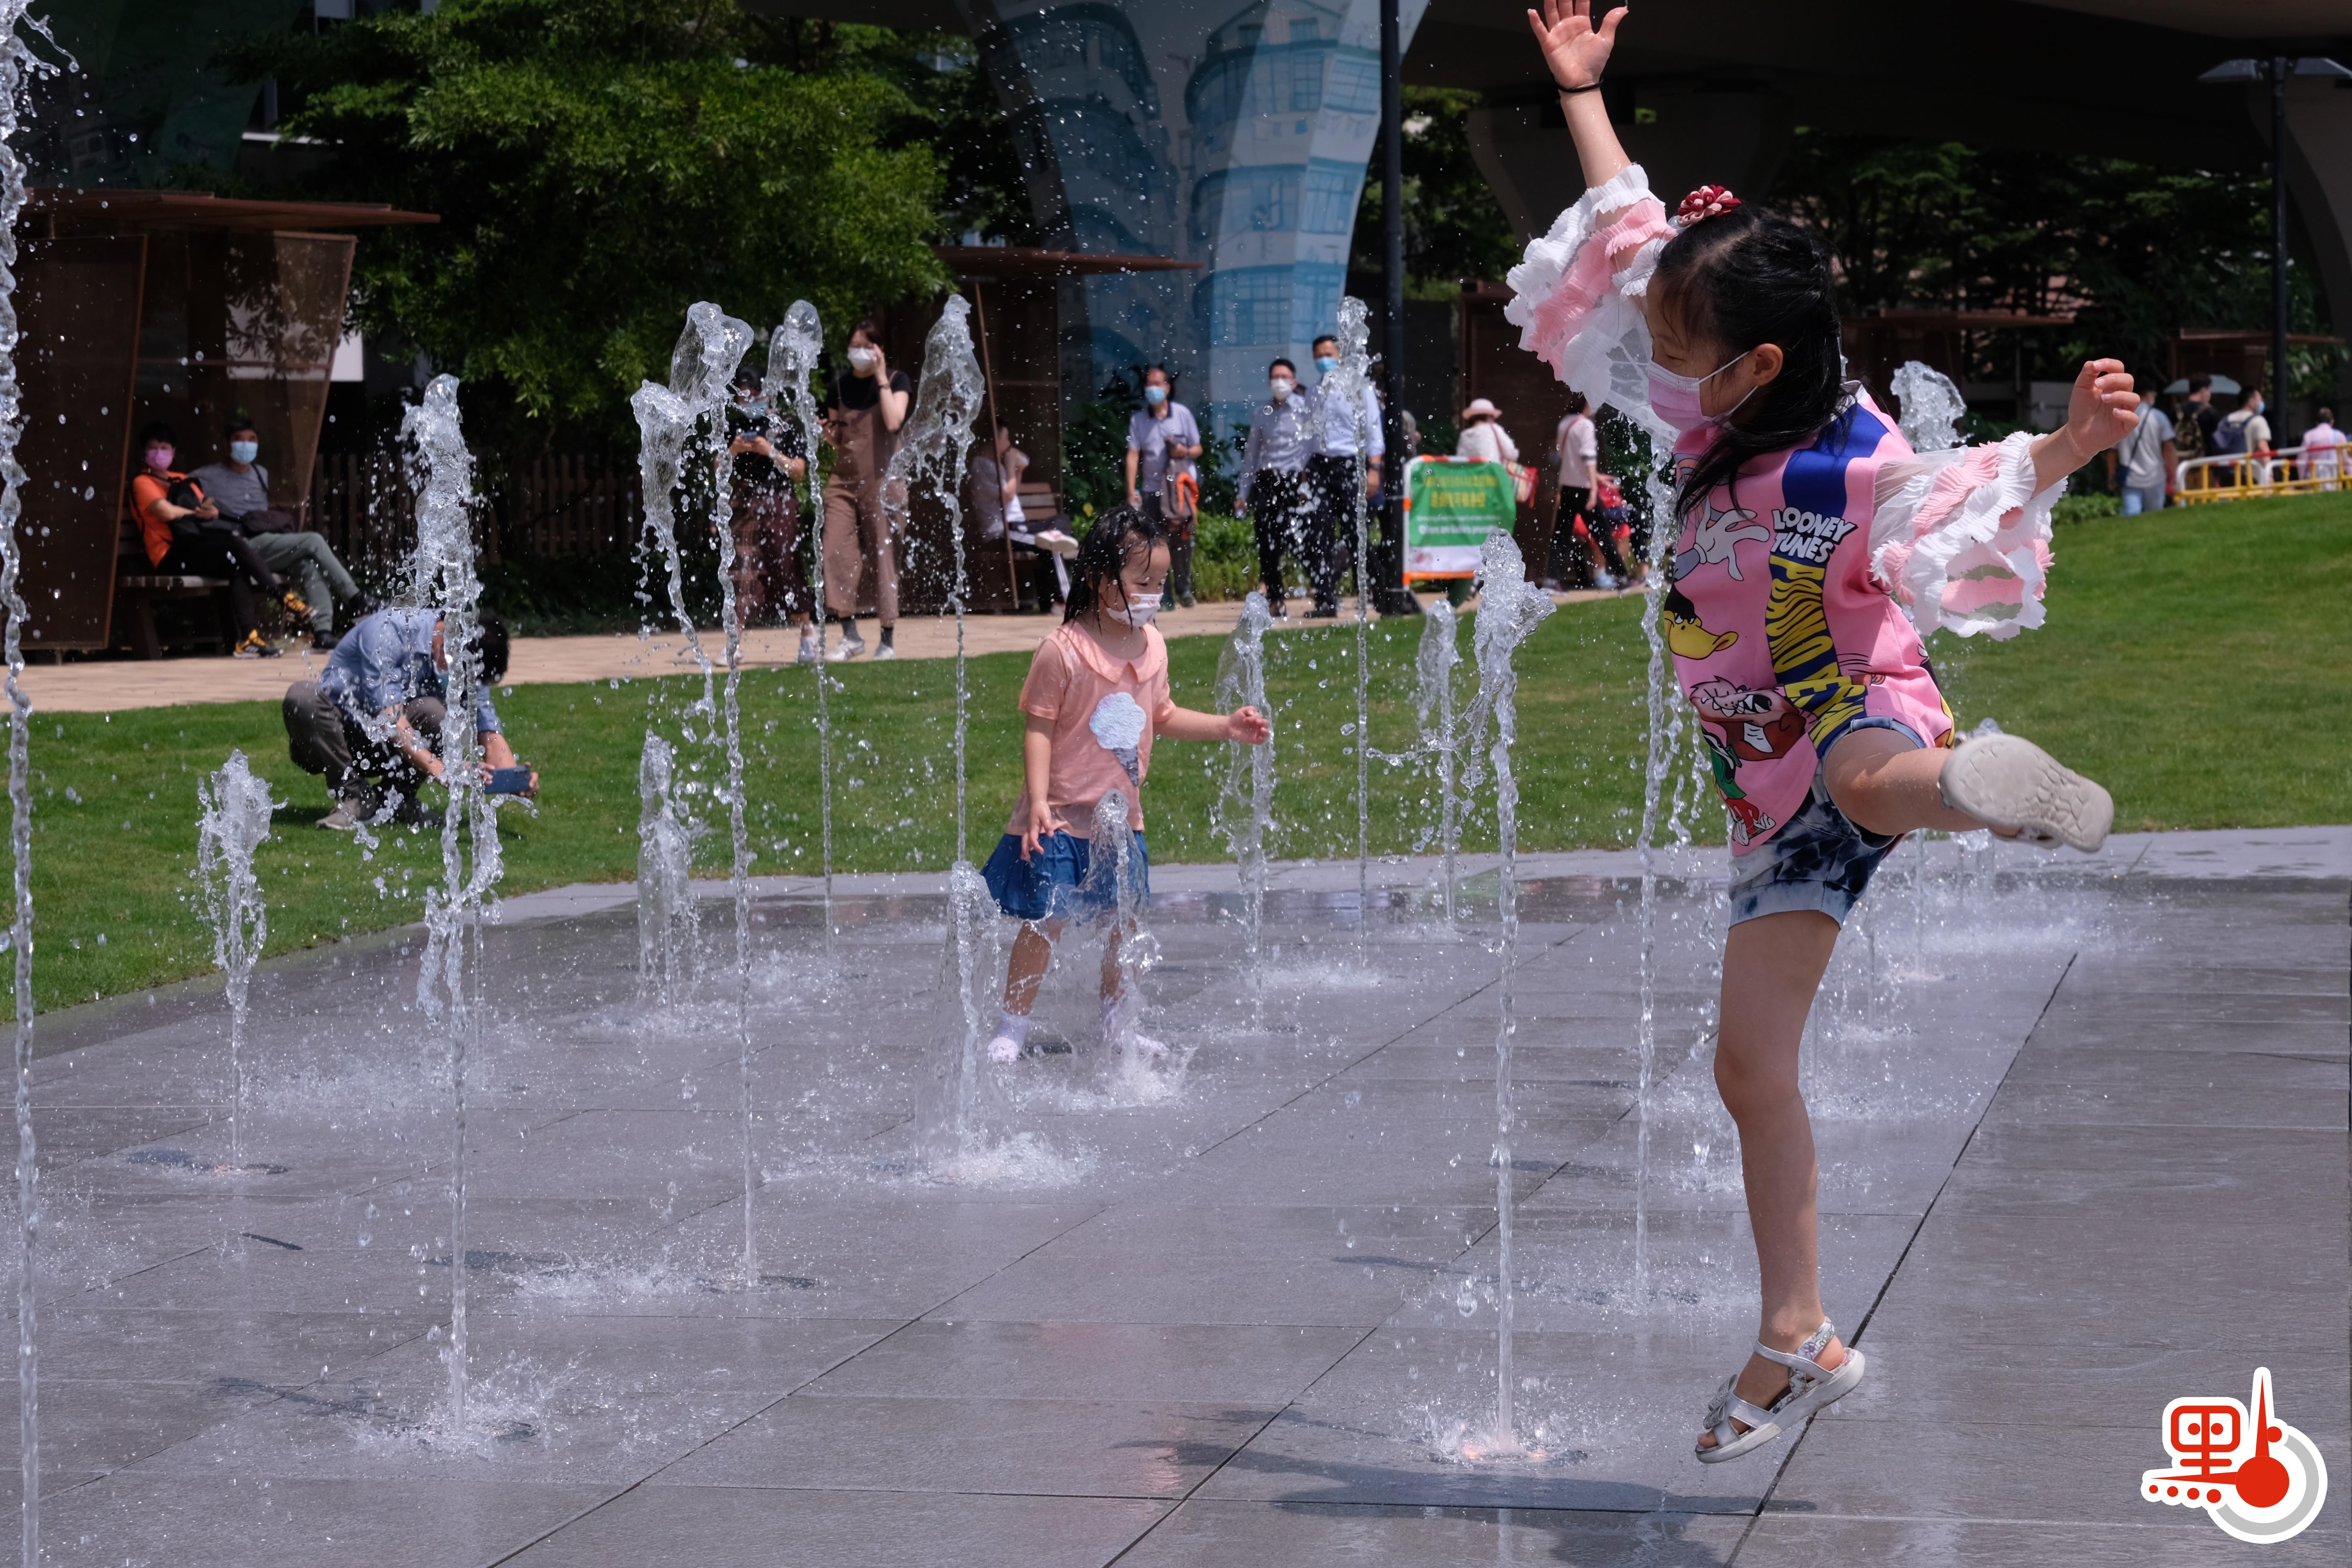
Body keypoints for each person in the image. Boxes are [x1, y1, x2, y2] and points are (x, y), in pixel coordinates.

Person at [1521, 0, 2127, 1467]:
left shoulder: (1837, 460)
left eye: (1681, 347)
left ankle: (1981, 793)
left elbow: (1955, 489)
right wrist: (1583, 94)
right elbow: (1627, 231)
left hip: (1850, 716)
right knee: (1746, 1069)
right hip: (1764, 794)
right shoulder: (1704, 421)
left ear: (1762, 367)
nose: (1652, 359)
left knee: (1868, 776)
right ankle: (1796, 1334)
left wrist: (2070, 447)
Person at [979, 506, 1268, 1064]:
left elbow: (1161, 714)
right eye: (1143, 583)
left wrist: (1226, 727)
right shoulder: (1063, 650)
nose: (1153, 594)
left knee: (1126, 923)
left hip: (1121, 819)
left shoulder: (1152, 645)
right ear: (1100, 579)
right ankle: (1011, 1026)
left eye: (1160, 583)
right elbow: (1038, 727)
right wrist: (1038, 801)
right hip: (1061, 815)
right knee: (1048, 921)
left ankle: (1117, 1025)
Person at [282, 606, 533, 830]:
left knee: (433, 712)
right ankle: (354, 798)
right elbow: (392, 722)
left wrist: (515, 779)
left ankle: (395, 800)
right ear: (449, 644)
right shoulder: (389, 631)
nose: (463, 683)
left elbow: (489, 734)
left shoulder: (467, 658)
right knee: (302, 697)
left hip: (383, 748)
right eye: (464, 675)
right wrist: (445, 771)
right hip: (333, 741)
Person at [129, 422, 309, 659]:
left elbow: (210, 509)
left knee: (235, 563)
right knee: (231, 541)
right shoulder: (142, 482)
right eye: (153, 448)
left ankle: (249, 639)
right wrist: (196, 512)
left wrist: (210, 512)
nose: (159, 453)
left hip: (192, 549)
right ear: (145, 453)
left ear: (173, 452)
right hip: (168, 556)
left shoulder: (181, 478)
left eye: (164, 447)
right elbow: (167, 513)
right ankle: (282, 597)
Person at [188, 420, 372, 650]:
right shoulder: (205, 476)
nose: (246, 445)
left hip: (267, 544)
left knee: (308, 565)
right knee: (313, 540)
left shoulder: (260, 473)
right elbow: (180, 491)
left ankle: (323, 631)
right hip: (239, 546)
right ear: (227, 444)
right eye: (239, 439)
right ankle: (356, 600)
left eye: (251, 439)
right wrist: (202, 510)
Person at [820, 320, 910, 661]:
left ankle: (887, 639)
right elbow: (839, 440)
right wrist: (827, 432)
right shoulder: (838, 388)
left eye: (865, 346)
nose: (858, 352)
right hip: (844, 482)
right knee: (835, 552)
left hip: (884, 484)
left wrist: (882, 375)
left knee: (884, 558)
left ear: (879, 349)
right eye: (854, 345)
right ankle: (850, 635)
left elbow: (892, 422)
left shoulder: (898, 381)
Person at [724, 370, 817, 664]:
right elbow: (717, 468)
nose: (747, 401)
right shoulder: (735, 427)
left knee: (785, 567)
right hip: (745, 501)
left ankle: (807, 634)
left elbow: (799, 472)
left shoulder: (786, 425)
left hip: (779, 502)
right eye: (742, 396)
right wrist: (733, 450)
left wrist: (769, 451)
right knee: (742, 569)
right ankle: (734, 644)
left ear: (766, 394)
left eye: (752, 394)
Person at [1304, 332, 1385, 617]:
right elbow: (1308, 435)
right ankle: (1326, 600)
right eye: (1319, 355)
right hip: (1319, 467)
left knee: (1356, 535)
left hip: (1350, 465)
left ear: (1340, 355)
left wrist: (1374, 469)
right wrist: (1305, 469)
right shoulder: (1313, 391)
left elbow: (1374, 430)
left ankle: (1383, 592)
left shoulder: (1359, 387)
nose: (1324, 360)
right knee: (1319, 534)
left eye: (1329, 354)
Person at [1237, 357, 1318, 616]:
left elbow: (1312, 450)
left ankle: (1323, 593)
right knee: (1267, 544)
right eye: (1275, 377)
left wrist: (1308, 485)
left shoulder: (1305, 410)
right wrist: (1242, 493)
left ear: (1294, 382)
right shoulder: (1263, 413)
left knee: (1301, 541)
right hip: (1268, 482)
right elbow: (1251, 456)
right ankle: (1275, 599)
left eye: (1284, 377)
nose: (1279, 382)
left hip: (1295, 483)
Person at [1123, 366, 1204, 606]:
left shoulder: (1182, 414)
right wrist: (1130, 491)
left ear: (1168, 388)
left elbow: (1198, 449)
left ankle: (1184, 589)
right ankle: (1164, 594)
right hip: (1151, 490)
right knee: (1154, 543)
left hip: (1179, 489)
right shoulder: (1139, 420)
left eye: (1158, 384)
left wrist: (1184, 452)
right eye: (1149, 385)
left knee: (1183, 540)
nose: (1153, 389)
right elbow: (1132, 455)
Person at [1547, 391, 1620, 588]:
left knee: (1560, 536)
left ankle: (1551, 580)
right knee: (1603, 534)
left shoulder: (1565, 423)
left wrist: (1597, 477)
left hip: (1568, 487)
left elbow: (1570, 459)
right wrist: (1595, 489)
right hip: (1585, 490)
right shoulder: (1586, 425)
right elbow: (1588, 458)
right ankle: (1622, 576)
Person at [2102, 379, 2175, 515]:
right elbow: (2169, 447)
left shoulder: (2122, 417)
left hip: (2131, 477)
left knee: (2131, 517)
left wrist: (2111, 475)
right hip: (2156, 476)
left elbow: (2112, 451)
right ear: (2149, 394)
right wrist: (2174, 472)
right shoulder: (2159, 417)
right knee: (2155, 517)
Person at [2212, 384, 2272, 485]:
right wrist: (2270, 474)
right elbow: (2263, 448)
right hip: (2251, 477)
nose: (2262, 403)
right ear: (2251, 401)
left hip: (2227, 475)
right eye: (2260, 399)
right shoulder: (2258, 420)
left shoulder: (2225, 421)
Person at [2172, 373, 2221, 491]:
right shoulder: (2210, 413)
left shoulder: (2176, 411)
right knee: (2204, 501)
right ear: (2204, 390)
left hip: (2181, 466)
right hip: (2205, 466)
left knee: (2184, 500)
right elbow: (2217, 442)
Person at [1455, 397, 1520, 464]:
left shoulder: (1465, 434)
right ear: (1489, 416)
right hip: (1494, 471)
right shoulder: (1495, 429)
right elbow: (1511, 453)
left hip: (1473, 473)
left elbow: (1461, 459)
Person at [2304, 406, 2345, 489]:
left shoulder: (2309, 436)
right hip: (2334, 478)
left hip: (2313, 478)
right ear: (2332, 421)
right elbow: (2346, 461)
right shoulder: (2340, 436)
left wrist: (2302, 480)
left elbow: (2302, 461)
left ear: (2317, 422)